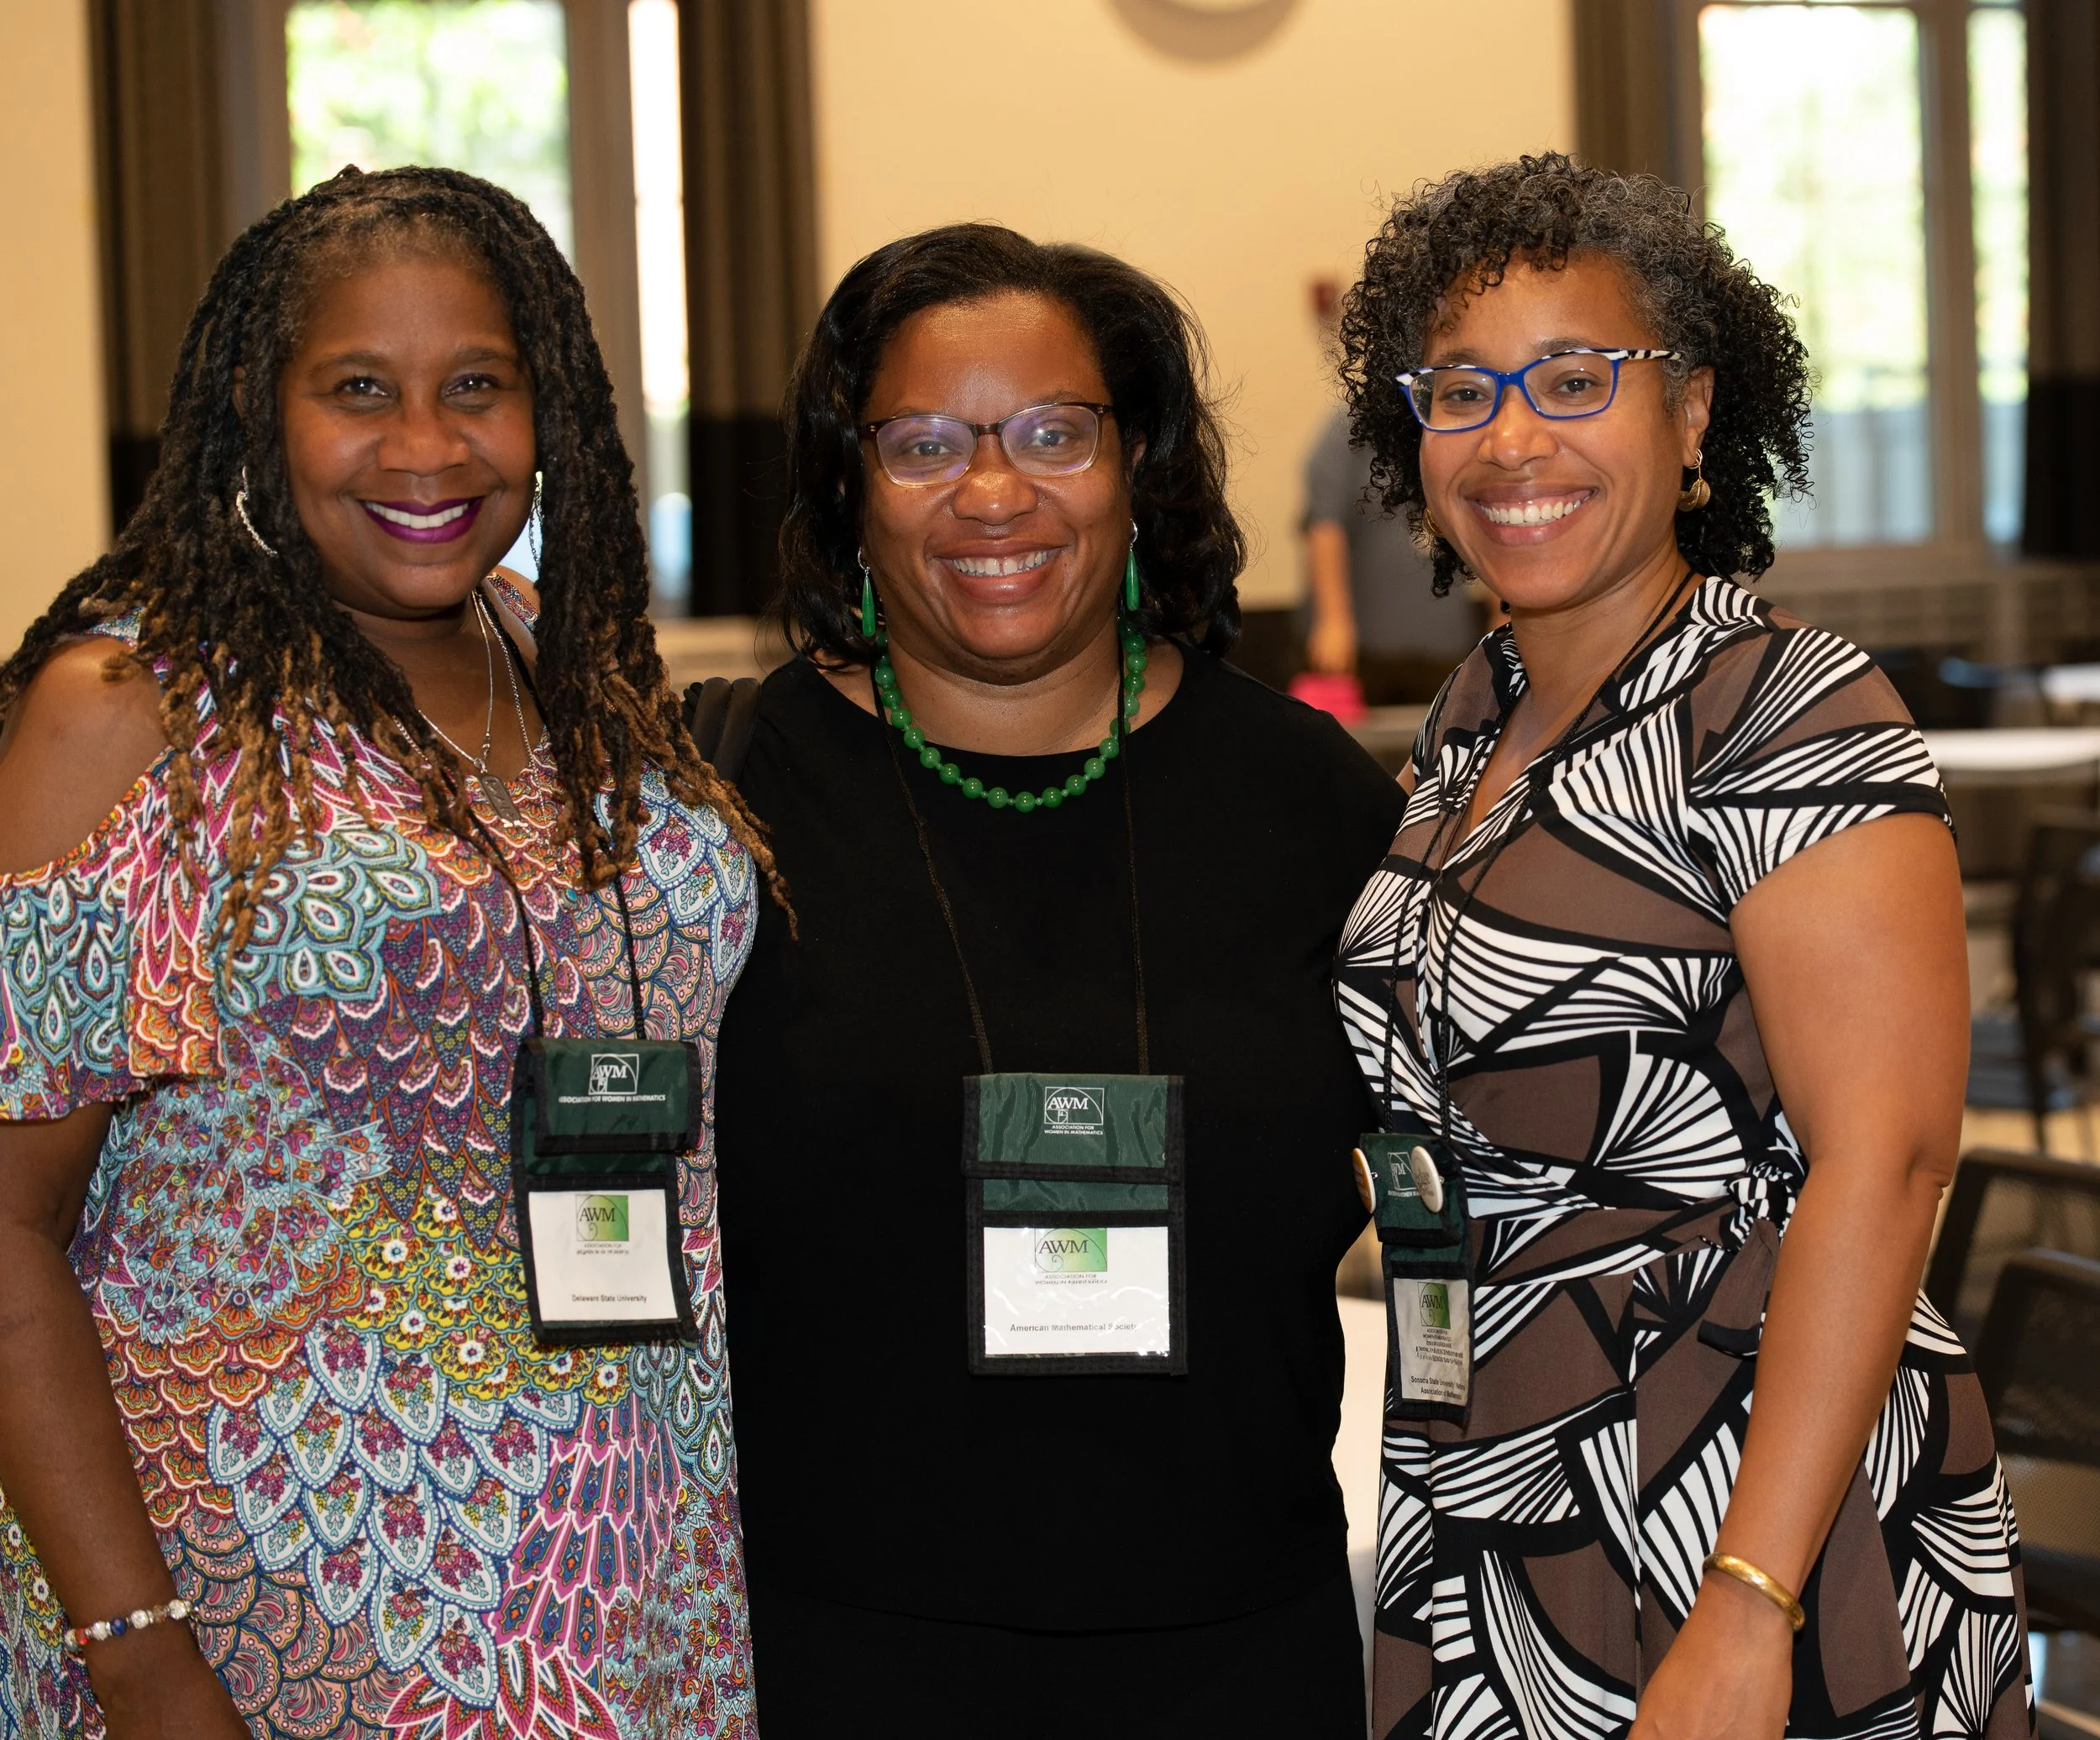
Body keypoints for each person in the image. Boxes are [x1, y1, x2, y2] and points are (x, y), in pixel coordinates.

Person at [0, 166, 778, 1738]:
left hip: (632, 1587)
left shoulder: (572, 665)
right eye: (359, 389)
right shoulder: (132, 708)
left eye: (476, 387)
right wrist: (139, 1656)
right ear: (254, 406)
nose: (426, 447)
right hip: (260, 1611)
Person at [1331, 155, 2030, 1740]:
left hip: (1746, 1487)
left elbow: (1892, 1158)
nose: (1514, 437)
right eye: (1461, 391)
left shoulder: (1784, 710)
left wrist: (1751, 1602)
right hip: (1494, 1452)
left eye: (1576, 379)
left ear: (1696, 412)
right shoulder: (1472, 723)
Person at [711, 223, 1408, 1737]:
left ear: (1137, 459)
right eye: (920, 442)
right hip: (830, 1656)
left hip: (1241, 1652)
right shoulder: (720, 805)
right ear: (846, 486)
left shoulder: (1319, 808)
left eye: (1051, 432)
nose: (992, 491)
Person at [1301, 283, 1480, 705]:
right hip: (1365, 653)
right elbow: (1324, 526)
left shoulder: (1463, 419)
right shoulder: (1347, 429)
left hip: (1448, 647)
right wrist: (1334, 622)